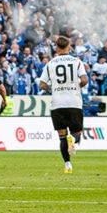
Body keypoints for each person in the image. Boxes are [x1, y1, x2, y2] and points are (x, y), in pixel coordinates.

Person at [40, 36, 89, 174]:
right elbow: (84, 80)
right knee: (77, 133)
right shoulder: (77, 62)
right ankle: (73, 139)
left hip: (57, 104)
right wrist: (76, 86)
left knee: (62, 136)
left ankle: (68, 164)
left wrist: (53, 88)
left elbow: (42, 84)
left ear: (56, 48)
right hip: (74, 102)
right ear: (69, 47)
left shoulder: (50, 64)